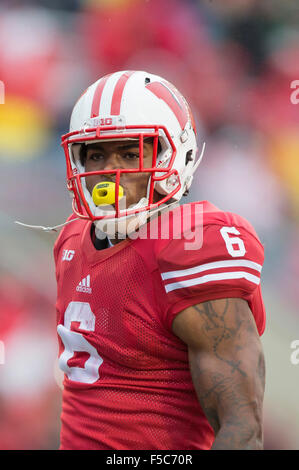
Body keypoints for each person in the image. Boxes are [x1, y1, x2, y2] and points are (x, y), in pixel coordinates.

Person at [54, 70, 266, 450]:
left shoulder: (194, 244)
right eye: (96, 154)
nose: (109, 173)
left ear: (175, 155)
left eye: (130, 152)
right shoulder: (72, 236)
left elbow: (241, 429)